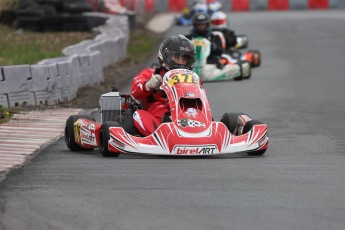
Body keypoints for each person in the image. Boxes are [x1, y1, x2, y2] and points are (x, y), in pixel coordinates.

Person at [130, 35, 196, 136]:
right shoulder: (150, 74)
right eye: (176, 57)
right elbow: (135, 92)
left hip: (186, 113)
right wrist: (148, 85)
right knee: (138, 114)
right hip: (158, 116)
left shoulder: (192, 78)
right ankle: (160, 136)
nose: (180, 62)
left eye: (184, 59)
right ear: (165, 56)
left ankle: (201, 132)